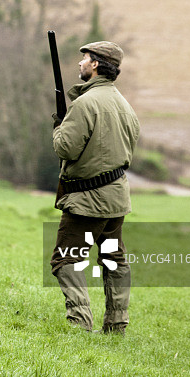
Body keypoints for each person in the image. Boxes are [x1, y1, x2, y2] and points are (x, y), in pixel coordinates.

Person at [50, 41, 140, 335]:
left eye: (85, 58)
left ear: (96, 64)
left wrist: (59, 127)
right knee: (114, 260)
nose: (80, 63)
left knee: (67, 258)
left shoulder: (85, 104)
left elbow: (65, 148)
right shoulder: (125, 106)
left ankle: (80, 323)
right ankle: (116, 326)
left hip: (88, 203)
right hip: (116, 201)